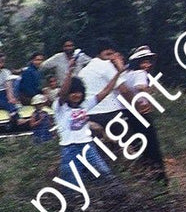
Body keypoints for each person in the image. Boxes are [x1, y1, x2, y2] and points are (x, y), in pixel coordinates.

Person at [56, 54, 123, 178]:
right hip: (69, 149)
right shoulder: (60, 107)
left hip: (87, 146)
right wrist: (69, 71)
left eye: (79, 92)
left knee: (105, 173)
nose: (76, 95)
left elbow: (105, 91)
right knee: (72, 180)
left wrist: (119, 73)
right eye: (73, 93)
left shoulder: (85, 105)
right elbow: (63, 92)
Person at [119, 45, 167, 183]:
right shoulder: (140, 74)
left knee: (139, 148)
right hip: (140, 114)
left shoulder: (126, 74)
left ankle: (147, 179)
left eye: (149, 61)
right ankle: (159, 181)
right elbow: (140, 87)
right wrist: (148, 98)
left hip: (127, 115)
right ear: (137, 62)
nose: (147, 65)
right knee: (152, 149)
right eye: (144, 61)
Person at [77, 40, 127, 138]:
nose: (111, 57)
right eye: (108, 54)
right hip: (111, 112)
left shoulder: (83, 71)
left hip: (91, 115)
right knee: (127, 145)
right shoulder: (106, 65)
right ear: (99, 54)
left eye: (113, 54)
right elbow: (124, 90)